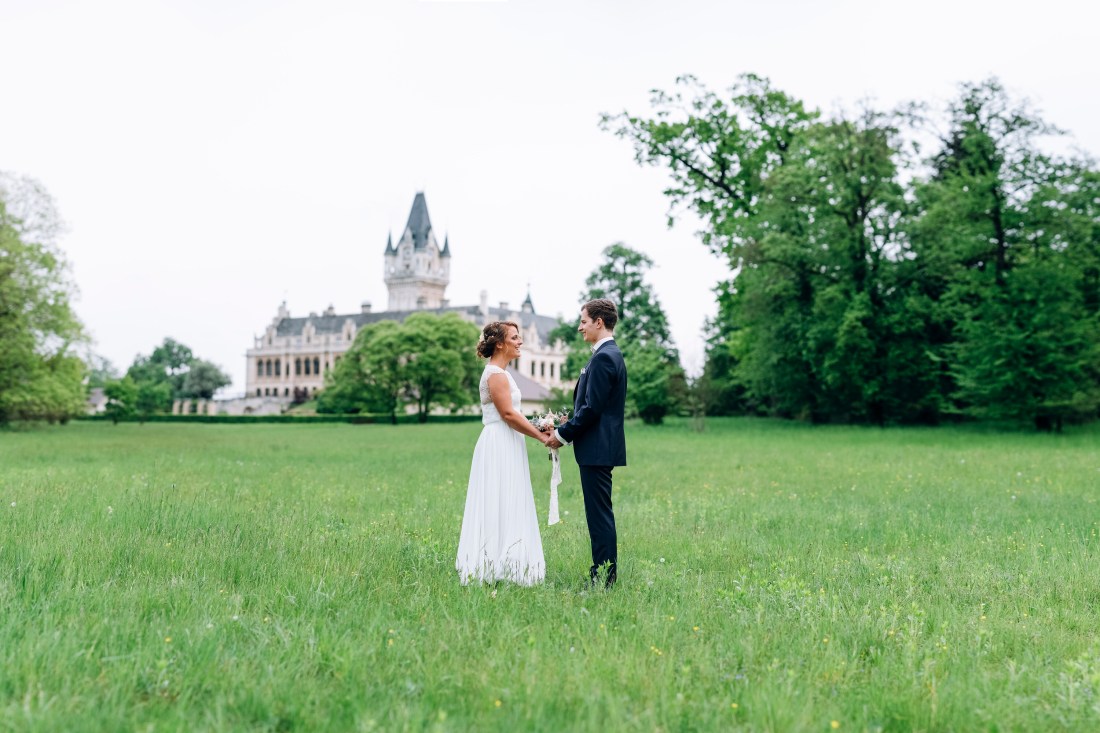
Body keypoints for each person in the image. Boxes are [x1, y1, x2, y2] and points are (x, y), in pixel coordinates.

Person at [456, 321, 552, 586]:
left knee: (508, 497)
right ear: (499, 344)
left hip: (508, 440)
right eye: (515, 337)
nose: (520, 342)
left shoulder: (502, 373)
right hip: (499, 441)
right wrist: (542, 436)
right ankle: (493, 563)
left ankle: (507, 563)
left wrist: (541, 425)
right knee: (498, 497)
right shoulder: (496, 374)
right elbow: (508, 414)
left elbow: (514, 414)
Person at [547, 298, 627, 588]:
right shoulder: (606, 354)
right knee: (598, 514)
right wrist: (568, 422)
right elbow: (593, 406)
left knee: (599, 516)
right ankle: (603, 574)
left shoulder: (605, 357)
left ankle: (604, 578)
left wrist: (561, 434)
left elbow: (593, 408)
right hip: (597, 447)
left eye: (583, 321)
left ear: (599, 322)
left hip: (597, 448)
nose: (580, 327)